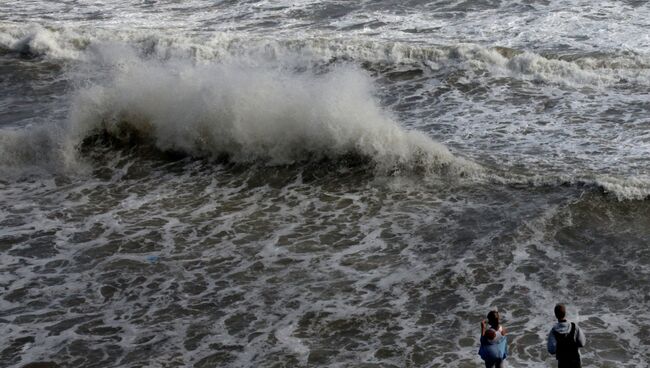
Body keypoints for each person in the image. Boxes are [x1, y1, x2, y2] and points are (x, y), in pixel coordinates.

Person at [547, 304, 586, 368]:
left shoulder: (553, 331)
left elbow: (551, 350)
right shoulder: (574, 327)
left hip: (563, 363)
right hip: (575, 361)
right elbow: (582, 343)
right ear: (565, 313)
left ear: (555, 315)